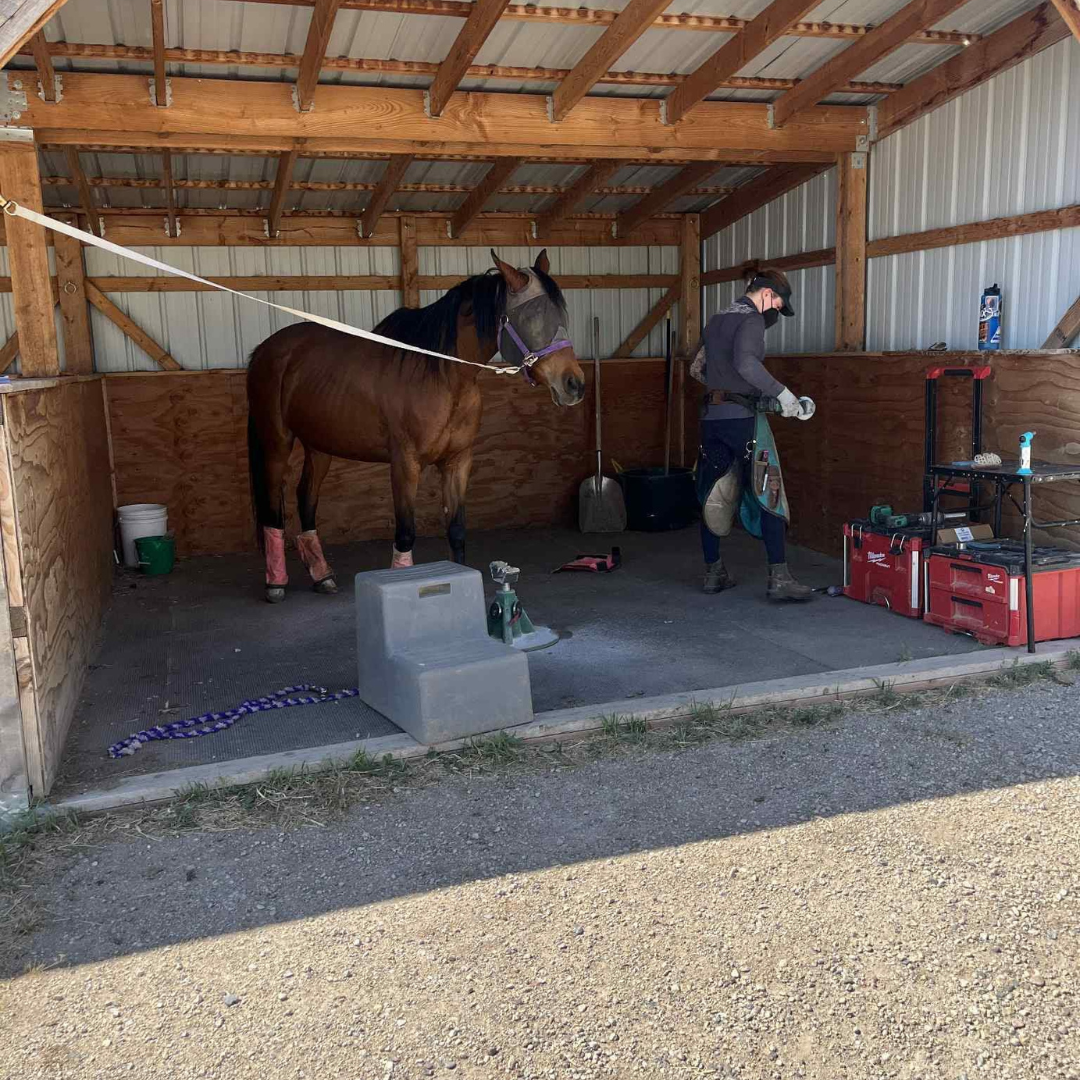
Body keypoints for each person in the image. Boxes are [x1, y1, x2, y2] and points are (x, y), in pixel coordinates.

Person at [692, 266, 813, 601]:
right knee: (768, 490)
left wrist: (723, 390)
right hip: (743, 421)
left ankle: (713, 572)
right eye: (776, 304)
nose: (775, 310)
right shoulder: (751, 319)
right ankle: (780, 577)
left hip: (711, 420)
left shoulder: (717, 319)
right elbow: (747, 364)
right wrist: (782, 394)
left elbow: (696, 367)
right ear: (767, 294)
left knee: (714, 494)